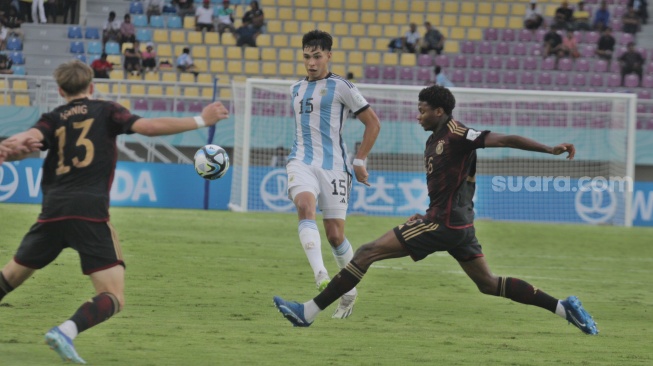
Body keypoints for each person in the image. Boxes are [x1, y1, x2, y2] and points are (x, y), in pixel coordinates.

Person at [273, 85, 598, 338]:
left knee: (366, 253)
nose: (418, 116)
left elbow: (505, 138)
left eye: (423, 110)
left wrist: (549, 148)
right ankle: (563, 308)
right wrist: (424, 214)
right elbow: (450, 188)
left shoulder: (458, 134)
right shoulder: (435, 140)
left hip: (443, 224)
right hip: (457, 227)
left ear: (439, 111)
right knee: (487, 283)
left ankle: (308, 312)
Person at [0, 59, 230, 364]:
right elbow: (147, 127)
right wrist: (202, 120)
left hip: (52, 211)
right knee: (113, 296)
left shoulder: (52, 118)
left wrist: (8, 146)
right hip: (89, 212)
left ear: (59, 90)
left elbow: (28, 140)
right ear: (91, 86)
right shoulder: (107, 110)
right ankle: (66, 331)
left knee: (10, 276)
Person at [284, 30, 380, 319]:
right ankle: (321, 275)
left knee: (335, 235)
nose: (311, 63)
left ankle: (349, 291)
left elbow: (373, 123)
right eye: (306, 57)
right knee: (304, 205)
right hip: (300, 160)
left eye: (316, 56)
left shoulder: (342, 87)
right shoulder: (295, 89)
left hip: (335, 167)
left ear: (328, 55)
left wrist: (360, 160)